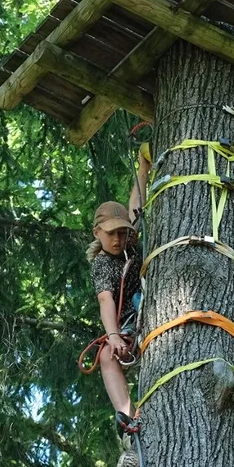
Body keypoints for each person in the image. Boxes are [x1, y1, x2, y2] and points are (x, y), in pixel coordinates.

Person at [86, 148, 151, 437]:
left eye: (122, 232)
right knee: (105, 357)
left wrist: (143, 167)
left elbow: (136, 206)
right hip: (129, 324)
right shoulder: (102, 263)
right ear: (97, 232)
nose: (117, 238)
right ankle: (128, 416)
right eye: (111, 233)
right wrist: (112, 336)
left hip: (151, 307)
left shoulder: (132, 247)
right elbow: (105, 298)